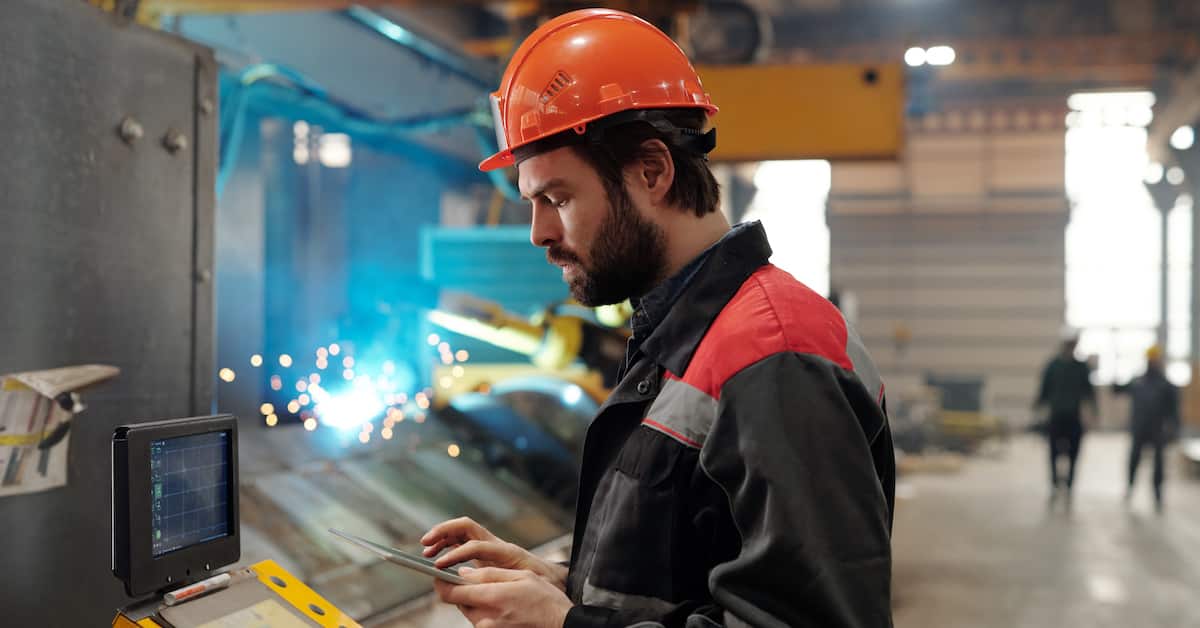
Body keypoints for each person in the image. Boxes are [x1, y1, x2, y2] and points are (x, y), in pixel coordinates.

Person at [419, 9, 894, 628]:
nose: (539, 233)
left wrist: (566, 626)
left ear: (652, 172)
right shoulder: (687, 339)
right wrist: (562, 587)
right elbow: (688, 581)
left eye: (557, 199)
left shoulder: (774, 353)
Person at [1034, 328, 1096, 507]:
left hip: (1073, 418)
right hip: (1056, 417)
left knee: (1073, 454)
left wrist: (1092, 414)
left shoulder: (1080, 367)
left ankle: (1069, 486)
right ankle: (1054, 484)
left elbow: (1089, 393)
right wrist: (1038, 409)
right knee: (1053, 453)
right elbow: (1044, 390)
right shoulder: (1053, 366)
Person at [1118, 345, 1179, 512]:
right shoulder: (1138, 381)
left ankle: (1158, 494)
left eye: (1155, 359)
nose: (1153, 362)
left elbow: (1174, 410)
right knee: (1134, 460)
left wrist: (1173, 429)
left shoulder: (1165, 384)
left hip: (1157, 429)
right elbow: (1117, 389)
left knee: (1158, 464)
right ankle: (1130, 488)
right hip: (1139, 427)